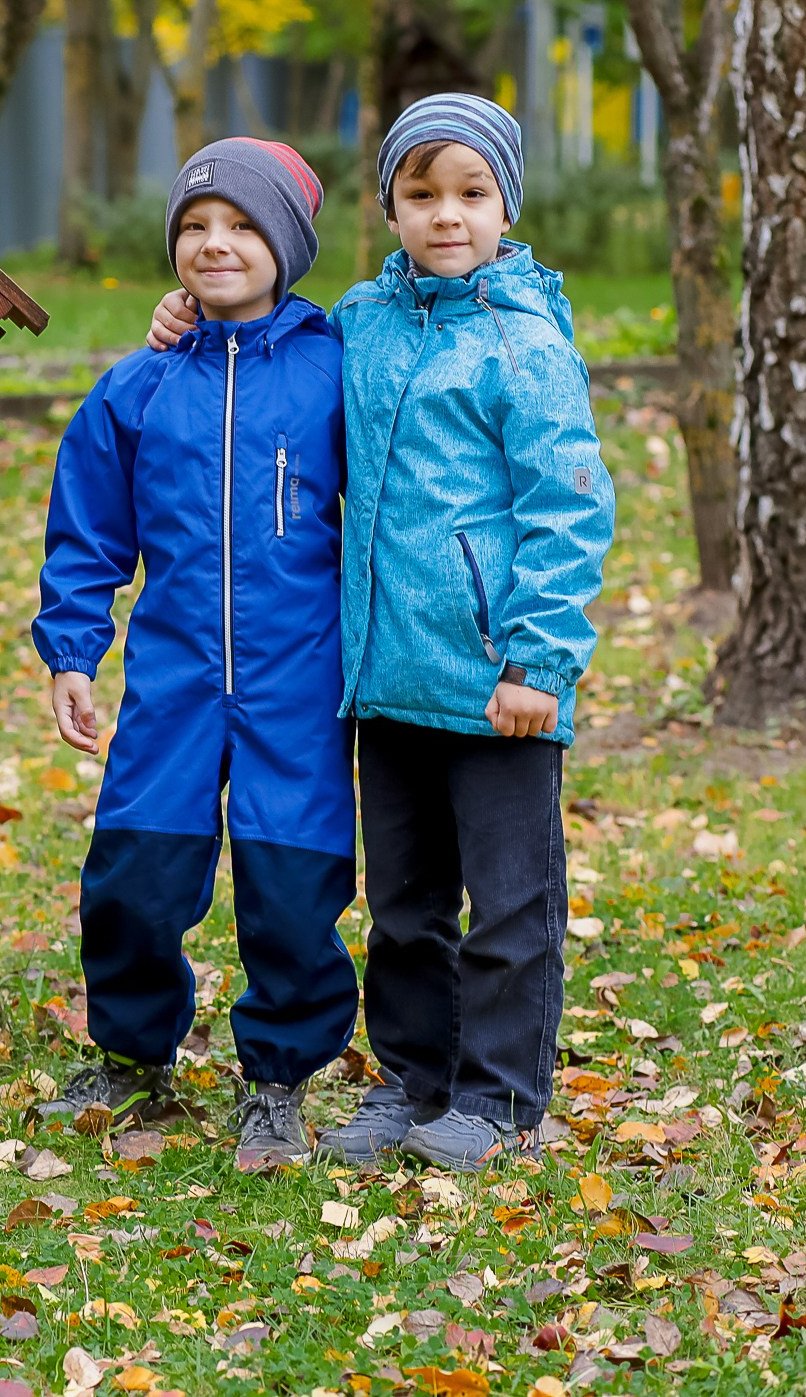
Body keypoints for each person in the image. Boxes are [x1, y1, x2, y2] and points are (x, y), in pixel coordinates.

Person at [146, 94, 615, 1171]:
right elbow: (260, 348)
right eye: (421, 194)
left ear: (507, 204)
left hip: (501, 683)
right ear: (389, 206)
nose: (446, 215)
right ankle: (414, 1081)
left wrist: (539, 658)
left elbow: (571, 503)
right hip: (386, 678)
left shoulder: (525, 342)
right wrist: (180, 317)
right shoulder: (359, 321)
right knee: (405, 908)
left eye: (470, 193)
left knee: (508, 906)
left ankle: (498, 1099)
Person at [33, 139, 357, 1171]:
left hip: (298, 679)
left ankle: (279, 1082)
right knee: (133, 874)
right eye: (195, 228)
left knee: (293, 883)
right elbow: (89, 529)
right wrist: (73, 649)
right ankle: (134, 1059)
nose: (216, 244)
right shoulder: (136, 386)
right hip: (172, 681)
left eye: (242, 226)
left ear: (289, 246)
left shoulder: (336, 369)